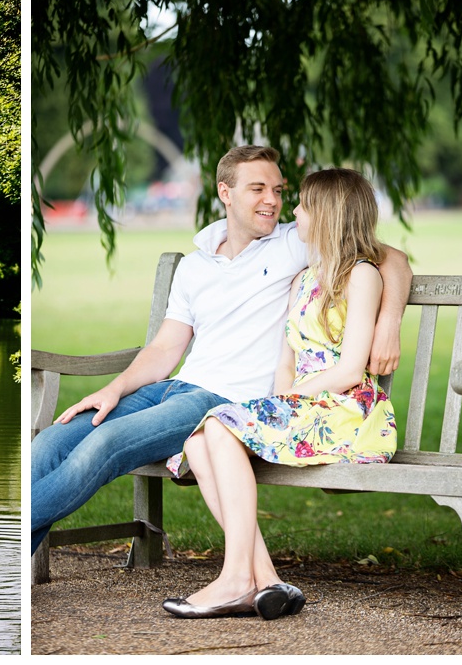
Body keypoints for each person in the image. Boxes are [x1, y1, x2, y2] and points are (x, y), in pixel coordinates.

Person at [30, 145, 412, 555]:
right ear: (225, 192)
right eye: (258, 189)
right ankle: (9, 557)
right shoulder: (195, 265)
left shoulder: (294, 243)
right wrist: (115, 389)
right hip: (172, 389)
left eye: (279, 191)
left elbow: (390, 258)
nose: (273, 201)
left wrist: (388, 323)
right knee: (51, 442)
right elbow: (164, 348)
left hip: (221, 402)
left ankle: (0, 539)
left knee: (104, 446)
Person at [162, 167, 398, 620]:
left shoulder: (361, 275)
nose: (294, 210)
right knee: (197, 440)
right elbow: (286, 358)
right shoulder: (304, 278)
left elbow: (350, 370)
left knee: (217, 425)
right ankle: (268, 581)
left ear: (327, 215)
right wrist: (281, 396)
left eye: (303, 204)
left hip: (344, 409)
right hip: (303, 404)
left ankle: (235, 578)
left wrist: (287, 400)